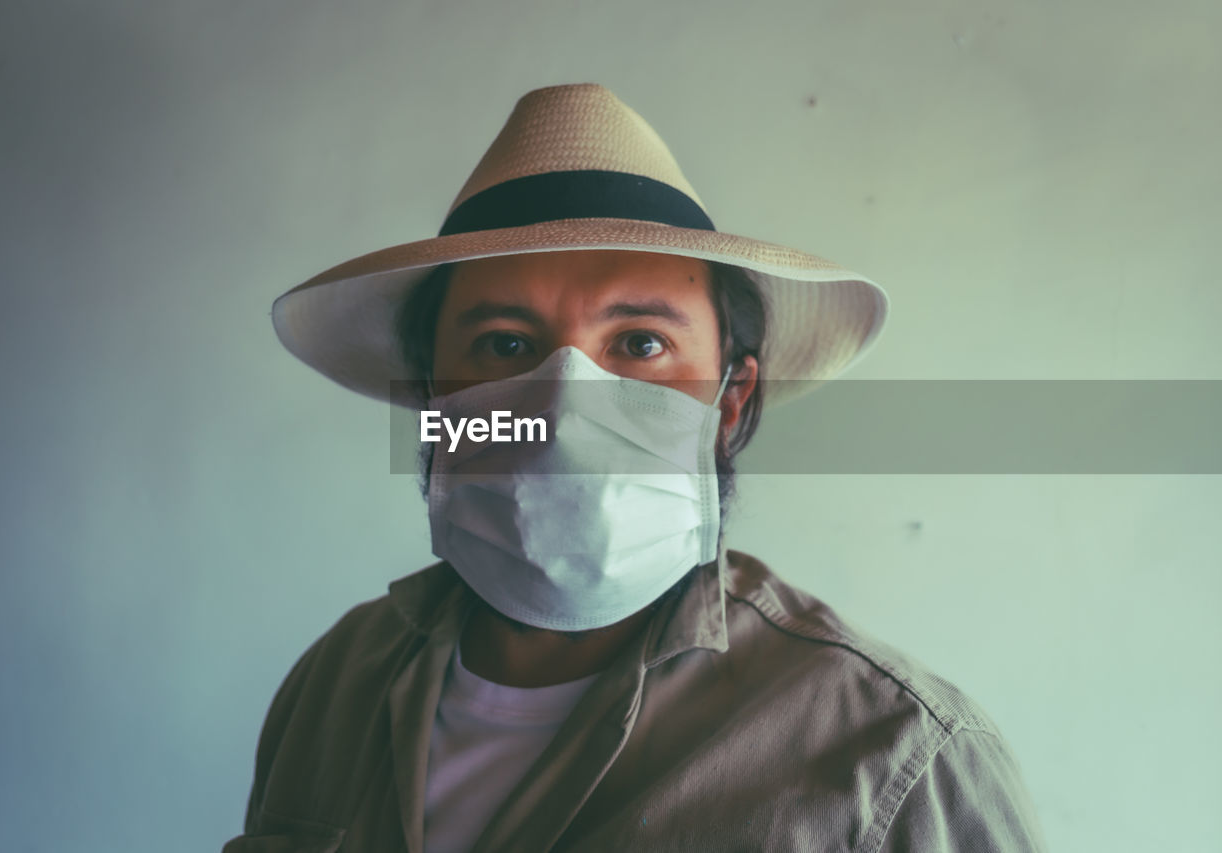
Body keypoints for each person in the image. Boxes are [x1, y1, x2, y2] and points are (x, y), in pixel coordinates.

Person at [223, 83, 1047, 852]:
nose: (565, 405)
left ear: (728, 401)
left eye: (641, 344)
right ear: (437, 400)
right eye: (505, 345)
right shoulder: (333, 686)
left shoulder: (895, 759)